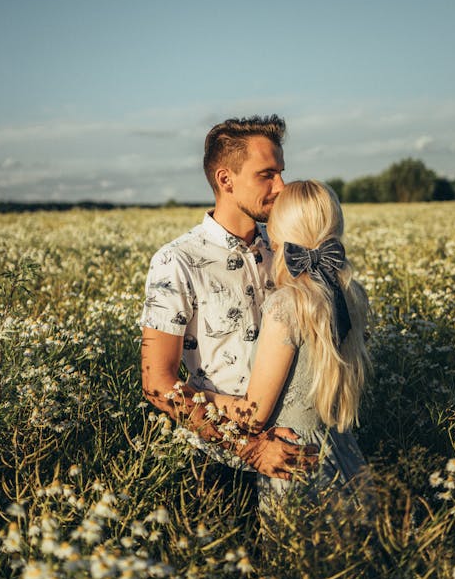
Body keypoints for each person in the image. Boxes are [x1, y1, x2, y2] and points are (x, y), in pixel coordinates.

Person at [140, 115, 318, 479]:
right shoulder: (177, 261)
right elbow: (157, 383)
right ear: (226, 180)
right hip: (217, 465)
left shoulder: (288, 250)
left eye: (281, 172)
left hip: (297, 450)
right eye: (267, 174)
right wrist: (249, 450)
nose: (282, 186)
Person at [203, 179, 373, 516]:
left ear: (277, 237)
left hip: (296, 463)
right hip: (348, 457)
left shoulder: (285, 307)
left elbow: (255, 414)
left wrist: (199, 396)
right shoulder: (352, 295)